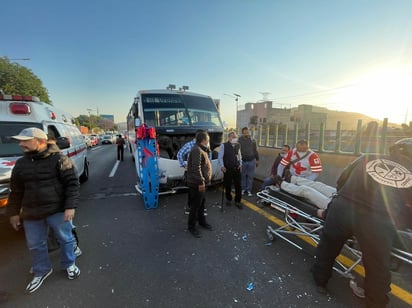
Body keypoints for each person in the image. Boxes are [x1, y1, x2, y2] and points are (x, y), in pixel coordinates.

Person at [311, 142, 412, 307]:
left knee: (327, 248)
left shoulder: (368, 157)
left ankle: (320, 282)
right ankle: (376, 302)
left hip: (343, 208)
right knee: (377, 266)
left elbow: (340, 182)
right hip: (377, 219)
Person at [7, 127, 81, 294]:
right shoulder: (21, 164)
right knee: (35, 244)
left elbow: (72, 184)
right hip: (31, 213)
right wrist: (12, 213)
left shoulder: (59, 160)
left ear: (40, 141)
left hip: (57, 209)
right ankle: (42, 270)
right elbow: (16, 191)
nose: (21, 144)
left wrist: (70, 206)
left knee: (66, 239)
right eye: (20, 141)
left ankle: (69, 264)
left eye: (25, 141)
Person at [186, 131, 213, 238]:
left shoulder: (201, 149)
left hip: (200, 183)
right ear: (203, 140)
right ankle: (191, 227)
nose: (208, 141)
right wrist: (201, 181)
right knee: (195, 206)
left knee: (201, 204)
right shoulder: (197, 149)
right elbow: (196, 167)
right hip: (197, 183)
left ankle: (202, 222)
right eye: (208, 139)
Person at [177, 130, 204, 215]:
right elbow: (179, 154)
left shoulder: (204, 144)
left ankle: (200, 208)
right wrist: (183, 165)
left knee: (201, 191)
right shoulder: (189, 145)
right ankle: (190, 208)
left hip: (201, 171)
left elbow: (208, 156)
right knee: (192, 191)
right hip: (192, 172)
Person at [218, 131, 243, 209]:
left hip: (237, 168)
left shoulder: (238, 145)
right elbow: (220, 157)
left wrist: (240, 164)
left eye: (235, 137)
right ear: (229, 137)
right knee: (228, 185)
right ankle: (228, 199)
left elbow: (239, 155)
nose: (234, 138)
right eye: (233, 137)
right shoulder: (224, 145)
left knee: (238, 185)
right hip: (228, 168)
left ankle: (238, 201)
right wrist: (222, 166)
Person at [238, 127, 259, 196]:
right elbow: (237, 151)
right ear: (242, 133)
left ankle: (249, 190)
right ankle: (243, 189)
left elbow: (255, 151)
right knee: (242, 176)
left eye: (247, 132)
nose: (246, 133)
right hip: (243, 161)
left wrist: (257, 160)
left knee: (250, 176)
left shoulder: (253, 140)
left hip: (251, 161)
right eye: (245, 132)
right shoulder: (239, 140)